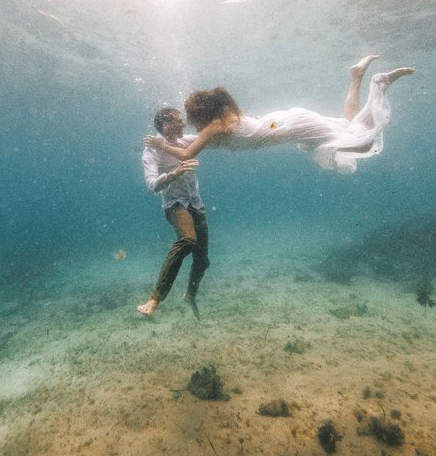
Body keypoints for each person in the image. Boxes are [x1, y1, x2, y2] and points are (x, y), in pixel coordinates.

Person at [144, 56, 414, 176]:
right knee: (349, 128)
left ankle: (377, 82)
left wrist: (161, 144)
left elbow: (187, 153)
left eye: (189, 115)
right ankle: (356, 76)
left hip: (289, 124)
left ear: (201, 113)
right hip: (281, 121)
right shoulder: (224, 121)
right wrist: (168, 137)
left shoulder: (214, 127)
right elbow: (193, 141)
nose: (188, 120)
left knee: (362, 140)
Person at [138, 107, 210, 319]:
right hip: (173, 204)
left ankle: (190, 295)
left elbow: (213, 137)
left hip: (196, 203)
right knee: (188, 239)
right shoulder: (151, 150)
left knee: (203, 260)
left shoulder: (185, 140)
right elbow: (152, 185)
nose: (183, 124)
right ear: (165, 125)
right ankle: (154, 299)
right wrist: (174, 173)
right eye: (178, 122)